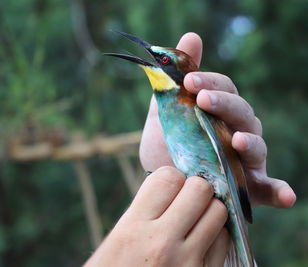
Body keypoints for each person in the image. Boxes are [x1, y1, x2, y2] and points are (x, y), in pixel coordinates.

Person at [84, 32, 296, 266]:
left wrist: (235, 172)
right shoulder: (165, 109)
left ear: (177, 75)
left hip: (223, 196)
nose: (152, 59)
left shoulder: (197, 109)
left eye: (163, 61)